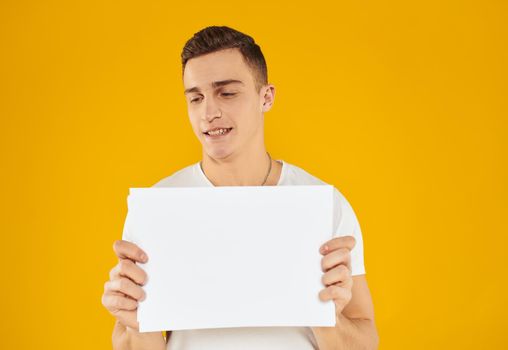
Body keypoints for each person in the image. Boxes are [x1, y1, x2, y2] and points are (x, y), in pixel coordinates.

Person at [101, 26, 379, 350]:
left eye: (227, 93)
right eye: (196, 97)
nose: (209, 112)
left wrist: (325, 317)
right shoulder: (157, 209)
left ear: (267, 97)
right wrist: (136, 322)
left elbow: (365, 341)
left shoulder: (324, 206)